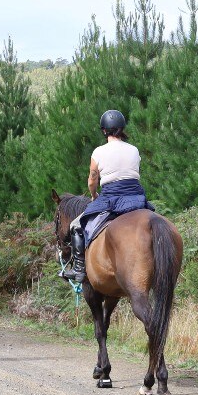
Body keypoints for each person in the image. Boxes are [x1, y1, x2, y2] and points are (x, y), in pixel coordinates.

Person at [62, 110, 155, 283]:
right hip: (135, 196)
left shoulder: (98, 152)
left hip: (111, 197)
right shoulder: (134, 150)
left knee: (76, 225)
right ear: (122, 128)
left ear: (104, 130)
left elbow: (92, 180)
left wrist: (93, 195)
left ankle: (79, 269)